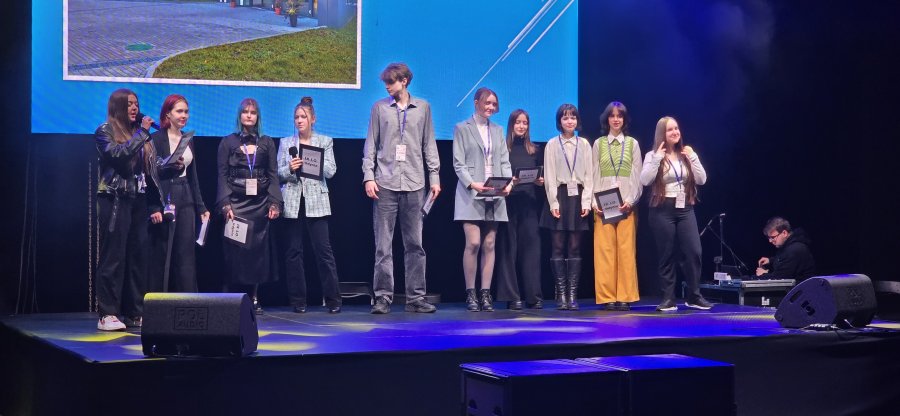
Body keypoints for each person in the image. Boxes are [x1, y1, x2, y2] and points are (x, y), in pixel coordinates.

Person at [362, 62, 441, 314]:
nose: (387, 86)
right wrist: (368, 176)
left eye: (391, 82)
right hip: (385, 183)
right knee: (383, 245)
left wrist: (435, 177)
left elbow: (429, 144)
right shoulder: (379, 108)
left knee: (415, 244)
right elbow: (370, 145)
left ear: (404, 81)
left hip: (415, 183)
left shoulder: (423, 108)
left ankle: (415, 297)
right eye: (385, 82)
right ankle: (383, 297)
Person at [94, 88, 154, 331]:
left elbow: (147, 169)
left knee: (138, 257)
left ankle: (135, 312)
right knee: (114, 256)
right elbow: (117, 156)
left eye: (136, 103)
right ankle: (107, 313)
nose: (134, 108)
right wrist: (142, 134)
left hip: (137, 199)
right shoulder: (105, 131)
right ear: (117, 106)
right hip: (115, 198)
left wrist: (171, 166)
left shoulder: (137, 134)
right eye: (129, 104)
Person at [216, 98, 283, 314]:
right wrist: (225, 203)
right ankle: (230, 297)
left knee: (257, 253)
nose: (249, 115)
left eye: (253, 112)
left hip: (259, 205)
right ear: (240, 115)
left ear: (257, 117)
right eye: (245, 112)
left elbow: (273, 174)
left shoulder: (267, 142)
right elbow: (222, 175)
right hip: (236, 204)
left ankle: (254, 297)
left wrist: (275, 202)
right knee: (234, 252)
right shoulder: (228, 142)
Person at [640, 116, 712, 312]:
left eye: (676, 128)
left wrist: (693, 157)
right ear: (662, 134)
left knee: (694, 251)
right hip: (662, 208)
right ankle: (668, 298)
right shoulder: (652, 155)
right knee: (667, 254)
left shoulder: (685, 154)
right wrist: (657, 158)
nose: (675, 132)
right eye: (670, 129)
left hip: (685, 208)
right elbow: (645, 180)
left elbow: (702, 179)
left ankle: (694, 296)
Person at [277, 97, 342, 314]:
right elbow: (278, 173)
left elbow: (331, 171)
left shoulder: (324, 141)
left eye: (303, 117)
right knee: (293, 253)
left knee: (324, 252)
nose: (299, 120)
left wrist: (313, 159)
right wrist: (291, 168)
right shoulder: (286, 143)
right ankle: (298, 301)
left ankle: (333, 300)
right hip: (293, 201)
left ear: (312, 119)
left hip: (317, 200)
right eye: (296, 117)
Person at [452, 87, 512, 312]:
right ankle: (471, 293)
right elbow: (458, 163)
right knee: (474, 242)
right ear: (476, 102)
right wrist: (472, 184)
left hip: (494, 192)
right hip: (471, 192)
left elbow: (504, 161)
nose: (490, 107)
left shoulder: (497, 130)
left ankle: (485, 294)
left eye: (494, 104)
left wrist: (509, 183)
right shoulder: (462, 128)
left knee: (489, 243)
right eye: (487, 103)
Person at [146, 94, 209, 294]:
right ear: (168, 114)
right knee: (163, 253)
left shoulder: (188, 139)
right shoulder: (156, 139)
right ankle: (157, 304)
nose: (184, 115)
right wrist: (154, 206)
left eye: (186, 112)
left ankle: (188, 303)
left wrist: (201, 207)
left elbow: (193, 176)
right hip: (166, 195)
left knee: (186, 254)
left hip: (186, 194)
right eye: (179, 111)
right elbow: (151, 175)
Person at [591, 102, 643, 311]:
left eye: (619, 116)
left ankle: (625, 296)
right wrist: (594, 202)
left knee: (626, 251)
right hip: (603, 205)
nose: (616, 119)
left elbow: (637, 177)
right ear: (607, 119)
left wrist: (630, 201)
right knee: (604, 251)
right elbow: (593, 175)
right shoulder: (599, 144)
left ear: (624, 119)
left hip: (625, 205)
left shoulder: (632, 144)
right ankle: (607, 297)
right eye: (612, 116)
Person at [541, 104, 593, 310]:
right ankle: (561, 294)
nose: (569, 121)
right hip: (559, 196)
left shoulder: (585, 144)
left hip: (578, 197)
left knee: (574, 247)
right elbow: (549, 177)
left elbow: (589, 176)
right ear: (559, 121)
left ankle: (572, 294)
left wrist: (586, 201)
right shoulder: (552, 144)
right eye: (565, 118)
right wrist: (553, 202)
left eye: (573, 117)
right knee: (557, 246)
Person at [495, 109, 545, 310]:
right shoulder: (503, 149)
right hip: (508, 203)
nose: (521, 126)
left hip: (529, 203)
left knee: (531, 250)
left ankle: (533, 296)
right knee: (508, 249)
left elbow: (540, 177)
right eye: (518, 122)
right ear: (511, 125)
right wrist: (511, 182)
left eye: (525, 123)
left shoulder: (534, 149)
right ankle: (512, 296)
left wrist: (540, 181)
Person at [756, 217, 815, 281]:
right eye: (769, 238)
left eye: (772, 237)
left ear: (784, 233)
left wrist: (763, 274)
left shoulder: (794, 249)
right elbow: (785, 258)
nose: (770, 241)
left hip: (800, 287)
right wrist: (770, 260)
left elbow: (780, 278)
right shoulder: (790, 245)